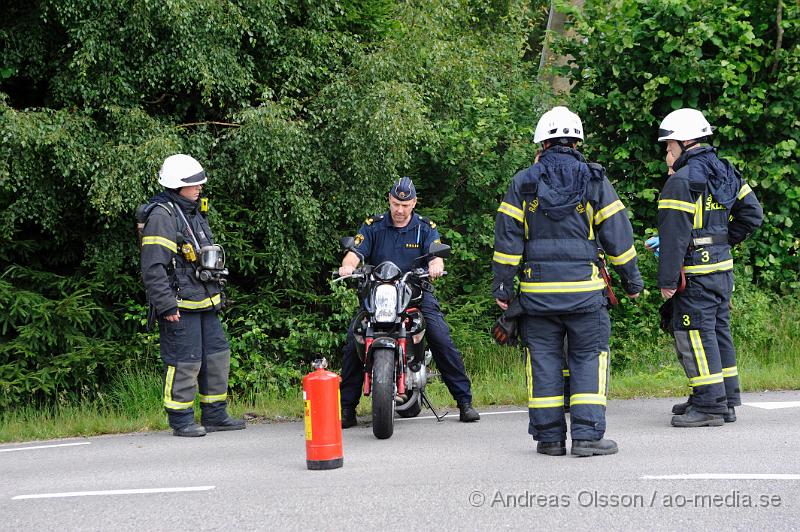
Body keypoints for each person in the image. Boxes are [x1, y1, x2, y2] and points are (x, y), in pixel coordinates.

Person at [492, 106, 643, 457]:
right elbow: (618, 236)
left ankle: (549, 439)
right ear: (577, 141)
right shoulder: (594, 180)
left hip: (537, 296)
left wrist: (502, 287)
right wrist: (632, 281)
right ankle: (588, 438)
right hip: (586, 295)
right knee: (588, 358)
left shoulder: (524, 182)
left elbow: (507, 241)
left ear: (542, 142)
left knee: (543, 360)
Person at [338, 177, 480, 426]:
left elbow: (436, 253)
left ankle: (464, 402)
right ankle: (347, 409)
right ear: (390, 201)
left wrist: (436, 265)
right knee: (354, 341)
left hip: (415, 295)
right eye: (395, 204)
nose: (399, 210)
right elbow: (355, 253)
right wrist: (347, 267)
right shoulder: (374, 226)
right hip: (379, 297)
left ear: (413, 203)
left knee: (440, 338)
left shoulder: (425, 228)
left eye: (405, 205)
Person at [652, 108, 763, 427]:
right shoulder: (726, 171)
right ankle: (724, 399)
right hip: (721, 271)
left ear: (686, 142)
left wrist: (668, 279)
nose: (667, 153)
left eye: (669, 146)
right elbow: (752, 215)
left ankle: (709, 405)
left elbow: (673, 236)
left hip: (695, 276)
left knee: (694, 334)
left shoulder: (681, 181)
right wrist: (720, 243)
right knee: (717, 331)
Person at [140, 154, 245, 437]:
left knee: (217, 356)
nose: (200, 188)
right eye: (194, 184)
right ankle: (181, 419)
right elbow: (153, 267)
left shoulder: (192, 211)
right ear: (177, 185)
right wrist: (165, 305)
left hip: (205, 300)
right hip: (179, 304)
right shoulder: (162, 216)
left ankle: (215, 415)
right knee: (184, 361)